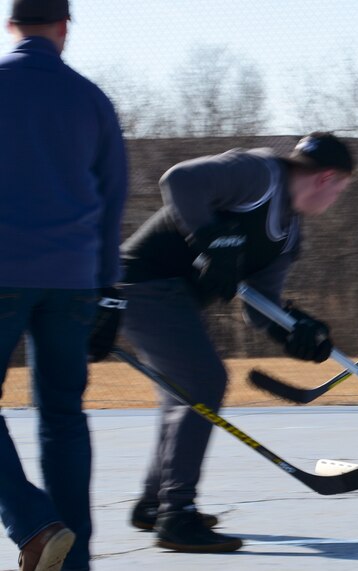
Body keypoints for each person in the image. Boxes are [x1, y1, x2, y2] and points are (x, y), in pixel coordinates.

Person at [117, 132, 353, 553]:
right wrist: (210, 237)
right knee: (204, 382)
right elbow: (178, 181)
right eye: (340, 190)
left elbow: (258, 308)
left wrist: (293, 329)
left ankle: (156, 504)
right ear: (326, 178)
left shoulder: (288, 236)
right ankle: (177, 516)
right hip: (143, 281)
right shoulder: (258, 173)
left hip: (175, 297)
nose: (336, 200)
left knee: (184, 394)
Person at [0, 0, 129, 569]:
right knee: (62, 416)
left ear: (10, 26)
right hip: (74, 282)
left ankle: (33, 525)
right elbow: (112, 198)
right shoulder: (91, 100)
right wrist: (108, 290)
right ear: (63, 29)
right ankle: (72, 559)